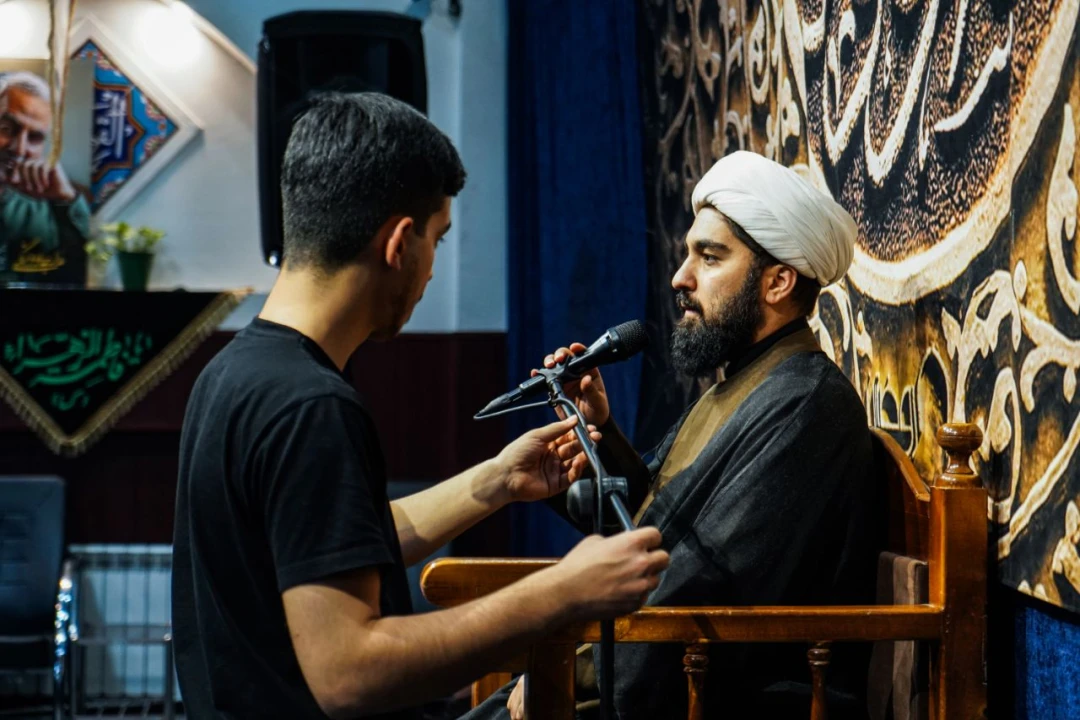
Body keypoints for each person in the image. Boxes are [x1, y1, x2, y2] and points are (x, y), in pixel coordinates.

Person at [171, 92, 669, 720]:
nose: (432, 268)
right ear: (399, 242)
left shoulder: (232, 374)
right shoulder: (311, 407)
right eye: (438, 239)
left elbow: (338, 543)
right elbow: (349, 672)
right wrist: (563, 592)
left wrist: (498, 480)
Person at [489, 151, 881, 719]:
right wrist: (599, 434)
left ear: (778, 282)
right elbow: (654, 519)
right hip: (656, 672)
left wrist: (567, 675)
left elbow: (704, 582)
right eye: (688, 253)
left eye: (710, 256)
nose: (681, 277)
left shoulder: (806, 406)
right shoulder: (746, 384)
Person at [0, 71, 90, 283]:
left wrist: (65, 201)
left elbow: (84, 275)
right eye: (6, 128)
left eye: (34, 137)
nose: (19, 149)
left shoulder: (54, 205)